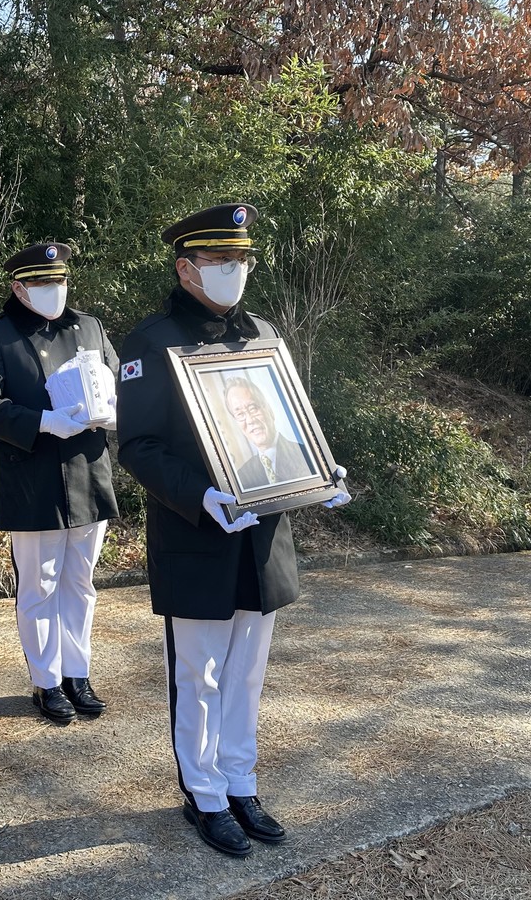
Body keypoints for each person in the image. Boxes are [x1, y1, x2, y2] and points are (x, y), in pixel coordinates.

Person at [116, 204, 351, 857]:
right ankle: (205, 794)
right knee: (200, 674)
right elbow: (135, 445)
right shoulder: (150, 341)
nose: (234, 271)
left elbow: (284, 427)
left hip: (263, 534)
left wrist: (318, 468)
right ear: (186, 267)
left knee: (247, 672)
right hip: (198, 532)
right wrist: (201, 495)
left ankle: (241, 782)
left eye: (241, 259)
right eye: (220, 261)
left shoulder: (263, 333)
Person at [0, 241, 119, 726]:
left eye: (59, 280)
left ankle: (78, 673)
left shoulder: (87, 326)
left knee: (80, 581)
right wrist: (44, 421)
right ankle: (46, 681)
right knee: (39, 584)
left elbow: (117, 381)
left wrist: (115, 412)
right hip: (32, 474)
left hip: (87, 470)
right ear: (18, 287)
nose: (54, 290)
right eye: (41, 283)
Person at [223, 374, 313, 489]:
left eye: (253, 408)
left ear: (269, 410)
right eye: (240, 414)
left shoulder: (306, 456)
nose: (250, 420)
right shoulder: (242, 477)